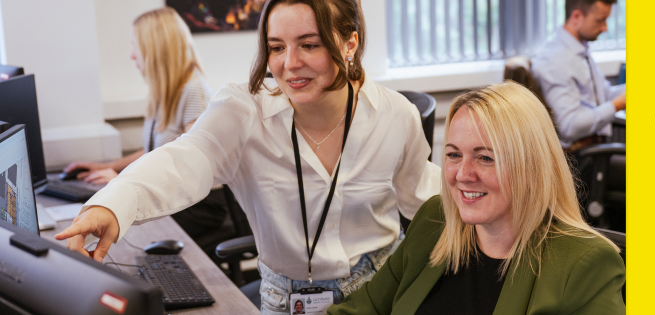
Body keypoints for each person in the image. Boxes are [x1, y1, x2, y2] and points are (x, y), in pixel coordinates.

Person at [55, 1, 440, 314]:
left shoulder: (395, 115)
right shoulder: (243, 111)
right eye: (276, 47)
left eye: (309, 44)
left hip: (379, 289)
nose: (289, 63)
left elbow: (423, 196)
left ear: (349, 43)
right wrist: (112, 204)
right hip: (285, 298)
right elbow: (186, 158)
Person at [327, 82, 625, 315]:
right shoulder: (436, 220)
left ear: (531, 166)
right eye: (454, 155)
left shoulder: (586, 264)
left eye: (484, 158)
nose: (463, 174)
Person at [62, 7, 229, 250]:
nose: (132, 55)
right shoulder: (166, 89)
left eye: (135, 46)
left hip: (200, 206)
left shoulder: (194, 91)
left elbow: (192, 169)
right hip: (175, 197)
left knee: (124, 240)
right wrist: (107, 167)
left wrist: (126, 184)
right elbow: (154, 151)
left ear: (155, 48)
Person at [531, 0, 625, 152]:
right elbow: (569, 126)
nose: (605, 28)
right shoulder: (556, 60)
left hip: (594, 146)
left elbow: (604, 94)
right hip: (581, 159)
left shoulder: (579, 50)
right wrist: (618, 105)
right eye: (600, 20)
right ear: (576, 16)